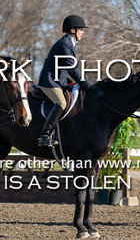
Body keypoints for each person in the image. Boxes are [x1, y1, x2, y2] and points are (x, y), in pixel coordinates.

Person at [37, 15, 103, 148]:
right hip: (49, 81)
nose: (83, 32)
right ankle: (44, 135)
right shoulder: (64, 45)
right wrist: (88, 85)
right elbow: (72, 70)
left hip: (59, 80)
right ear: (73, 30)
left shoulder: (69, 44)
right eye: (81, 30)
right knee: (61, 102)